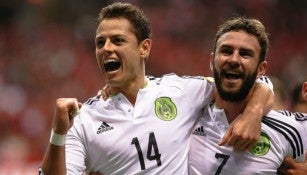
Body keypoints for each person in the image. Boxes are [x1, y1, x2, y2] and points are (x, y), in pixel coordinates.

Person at [39, 3, 273, 175]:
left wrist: (253, 113)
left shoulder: (181, 91)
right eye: (100, 42)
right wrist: (58, 134)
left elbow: (247, 84)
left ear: (144, 48)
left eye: (118, 41)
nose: (106, 49)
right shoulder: (83, 120)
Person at [188, 17, 307, 174]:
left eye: (245, 54)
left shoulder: (290, 132)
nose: (234, 59)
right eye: (226, 51)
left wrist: (254, 112)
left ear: (261, 69)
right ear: (212, 60)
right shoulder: (187, 114)